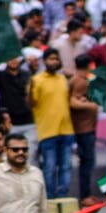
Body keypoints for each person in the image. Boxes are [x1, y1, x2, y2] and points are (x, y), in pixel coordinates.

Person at [28, 47, 74, 198]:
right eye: (51, 59)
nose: (54, 62)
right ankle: (50, 200)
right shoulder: (36, 80)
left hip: (66, 130)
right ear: (44, 61)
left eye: (56, 59)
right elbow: (31, 104)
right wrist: (30, 89)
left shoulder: (62, 79)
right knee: (49, 167)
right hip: (47, 131)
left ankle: (63, 198)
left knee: (66, 167)